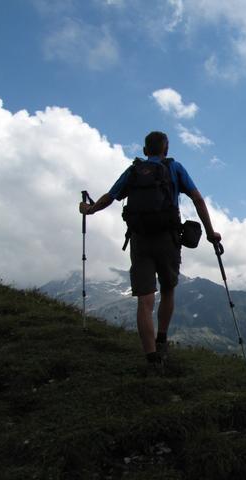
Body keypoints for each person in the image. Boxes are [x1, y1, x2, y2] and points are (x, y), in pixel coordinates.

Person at [79, 131, 221, 371]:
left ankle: (151, 358)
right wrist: (210, 232)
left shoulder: (133, 171)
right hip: (168, 238)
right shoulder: (174, 168)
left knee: (145, 300)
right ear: (166, 149)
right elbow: (197, 199)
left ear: (145, 150)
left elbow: (110, 197)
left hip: (140, 239)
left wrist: (89, 210)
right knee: (168, 289)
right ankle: (162, 339)